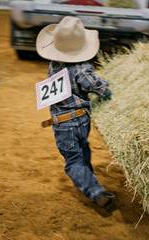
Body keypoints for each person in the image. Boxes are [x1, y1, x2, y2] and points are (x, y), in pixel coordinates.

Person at [36, 16, 117, 210]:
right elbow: (94, 85)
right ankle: (93, 184)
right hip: (82, 119)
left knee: (73, 159)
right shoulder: (82, 67)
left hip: (63, 123)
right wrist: (106, 89)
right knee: (84, 146)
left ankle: (94, 190)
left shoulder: (53, 66)